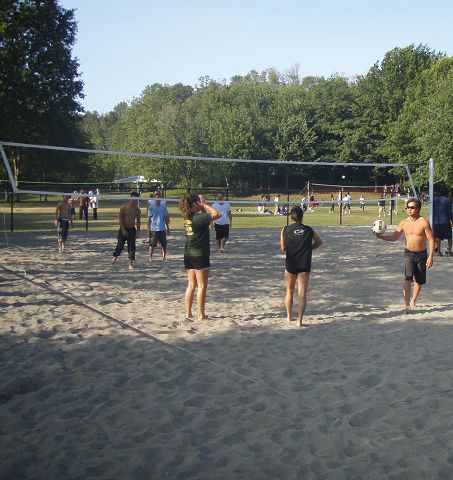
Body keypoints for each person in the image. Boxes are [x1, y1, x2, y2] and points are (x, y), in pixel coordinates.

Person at [373, 197, 434, 313]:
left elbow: (431, 239)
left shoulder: (424, 222)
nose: (409, 209)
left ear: (418, 209)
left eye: (412, 207)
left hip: (421, 254)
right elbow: (394, 237)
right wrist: (379, 236)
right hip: (408, 253)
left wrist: (431, 256)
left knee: (419, 281)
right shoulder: (403, 222)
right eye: (407, 207)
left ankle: (413, 301)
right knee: (407, 278)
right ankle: (407, 305)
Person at [280, 206, 323, 327]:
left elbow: (283, 248)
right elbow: (319, 242)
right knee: (302, 294)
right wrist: (309, 249)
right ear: (302, 216)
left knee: (289, 291)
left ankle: (289, 317)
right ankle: (299, 321)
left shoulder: (285, 229)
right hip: (304, 264)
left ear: (291, 217)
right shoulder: (308, 230)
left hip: (291, 264)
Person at [179, 194, 220, 320]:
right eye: (199, 202)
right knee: (202, 286)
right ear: (195, 203)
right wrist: (205, 205)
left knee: (191, 285)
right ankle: (201, 314)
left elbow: (207, 220)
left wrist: (201, 207)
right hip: (200, 254)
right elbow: (217, 214)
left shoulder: (188, 216)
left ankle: (188, 313)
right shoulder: (198, 217)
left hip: (189, 254)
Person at [112, 191, 141, 271]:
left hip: (132, 229)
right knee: (120, 246)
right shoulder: (124, 207)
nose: (135, 200)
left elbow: (138, 221)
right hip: (123, 229)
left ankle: (130, 264)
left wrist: (138, 232)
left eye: (136, 199)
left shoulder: (137, 210)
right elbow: (120, 219)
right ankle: (115, 257)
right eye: (133, 198)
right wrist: (123, 229)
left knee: (132, 247)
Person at [148, 194, 170, 261]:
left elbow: (166, 218)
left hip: (162, 229)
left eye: (159, 198)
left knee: (164, 244)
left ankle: (164, 257)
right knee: (152, 244)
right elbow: (149, 220)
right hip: (154, 229)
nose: (158, 199)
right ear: (154, 199)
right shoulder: (151, 207)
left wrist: (168, 229)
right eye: (156, 198)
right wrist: (148, 230)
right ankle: (151, 257)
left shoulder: (163, 207)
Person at [432, 188, 453, 256]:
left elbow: (432, 211)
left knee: (437, 236)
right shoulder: (448, 201)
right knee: (449, 236)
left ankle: (438, 251)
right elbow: (450, 212)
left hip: (436, 221)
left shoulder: (434, 201)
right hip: (446, 221)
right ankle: (449, 250)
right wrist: (452, 220)